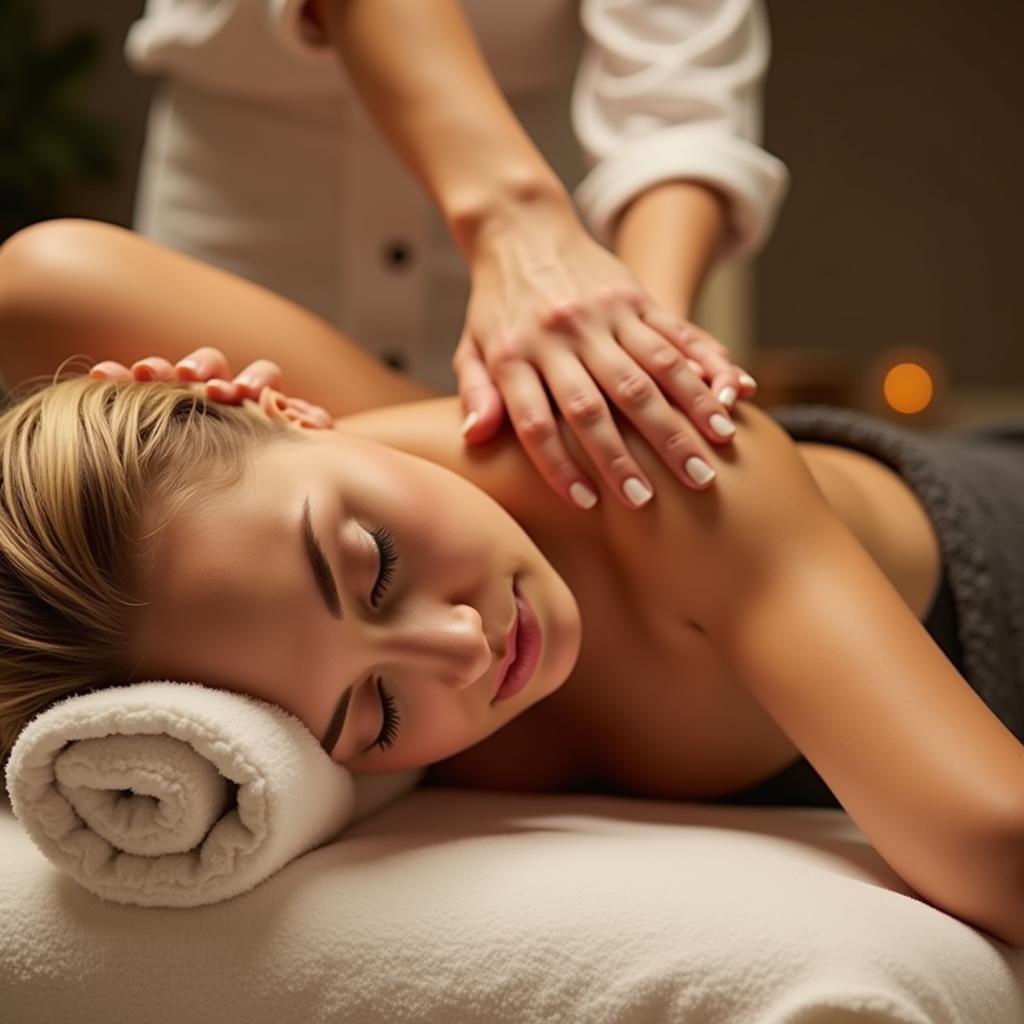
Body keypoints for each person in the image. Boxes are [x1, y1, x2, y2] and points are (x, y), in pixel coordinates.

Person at [0, 219, 1022, 947]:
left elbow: (998, 843)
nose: (459, 649)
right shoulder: (245, 588)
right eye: (375, 711)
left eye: (375, 565)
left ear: (279, 405)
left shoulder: (642, 463)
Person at [124, 0, 786, 510]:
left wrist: (634, 362)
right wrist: (515, 220)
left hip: (537, 295)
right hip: (251, 211)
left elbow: (677, 97)